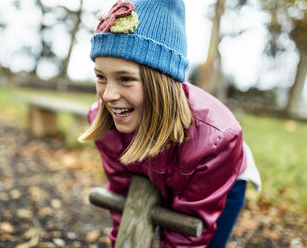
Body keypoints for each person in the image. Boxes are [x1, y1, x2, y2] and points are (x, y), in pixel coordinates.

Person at [78, 0, 261, 247]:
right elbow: (124, 199)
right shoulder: (106, 122)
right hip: (156, 171)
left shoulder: (218, 139)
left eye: (125, 79)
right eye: (101, 77)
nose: (108, 95)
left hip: (218, 179)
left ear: (161, 83)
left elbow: (189, 231)